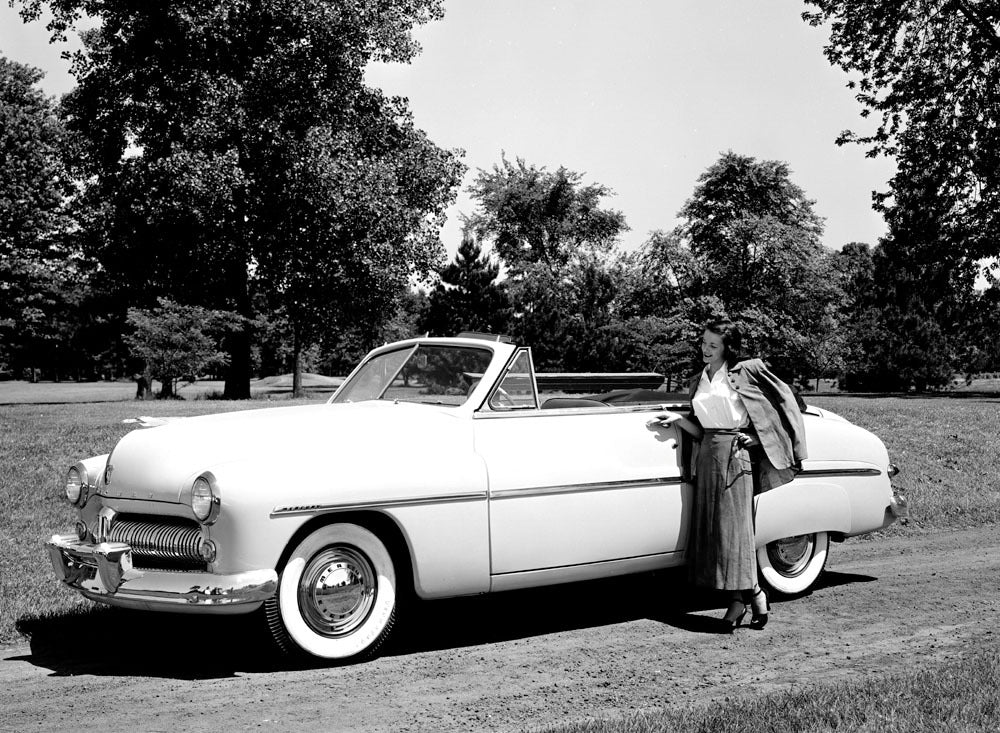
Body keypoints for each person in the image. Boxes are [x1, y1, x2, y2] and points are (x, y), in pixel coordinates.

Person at [653, 320, 807, 631]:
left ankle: (741, 601)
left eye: (713, 345)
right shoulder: (699, 379)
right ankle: (752, 594)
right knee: (716, 535)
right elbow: (702, 429)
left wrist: (758, 439)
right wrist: (678, 419)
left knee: (734, 533)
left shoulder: (745, 372)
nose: (705, 349)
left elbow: (784, 402)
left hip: (736, 458)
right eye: (703, 343)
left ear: (726, 349)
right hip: (709, 456)